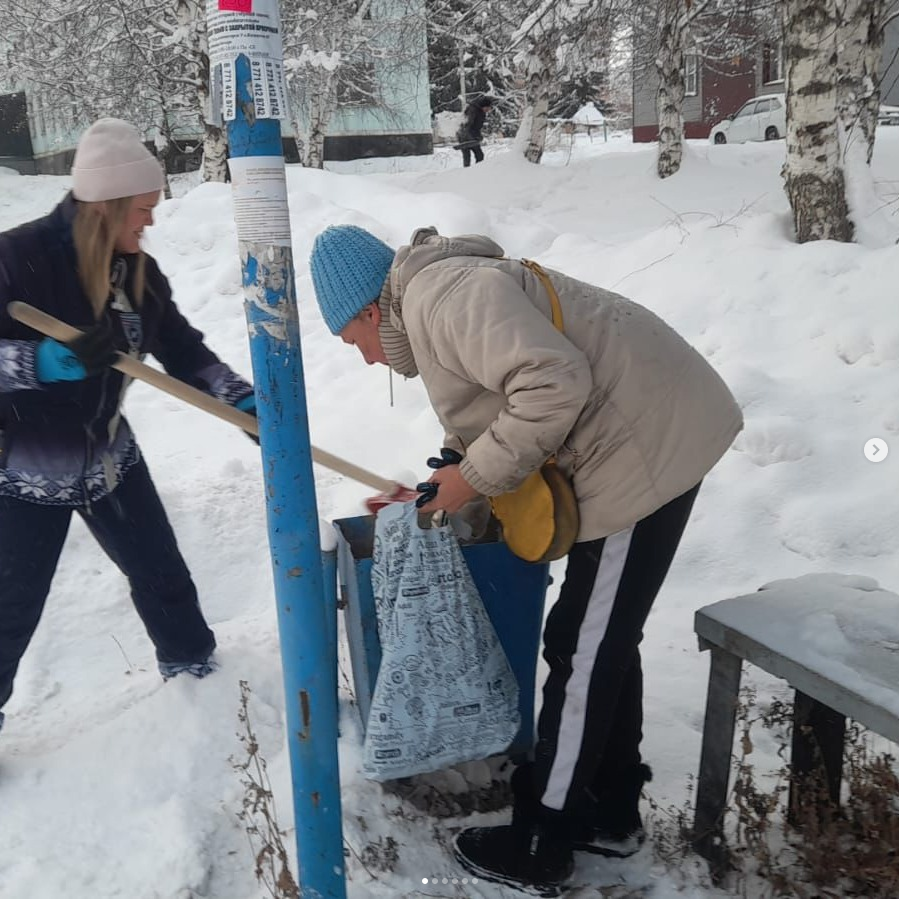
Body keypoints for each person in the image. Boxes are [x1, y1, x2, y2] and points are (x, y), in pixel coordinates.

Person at [309, 223, 743, 895]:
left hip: (644, 444)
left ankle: (543, 834)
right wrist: (439, 487)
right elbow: (485, 411)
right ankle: (610, 808)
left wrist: (469, 478)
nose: (366, 358)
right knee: (596, 635)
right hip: (633, 433)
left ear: (369, 309)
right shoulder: (431, 307)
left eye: (353, 342)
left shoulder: (441, 300)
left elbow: (549, 384)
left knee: (583, 644)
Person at [0, 119, 257, 735]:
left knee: (162, 574)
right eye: (142, 209)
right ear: (106, 206)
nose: (151, 221)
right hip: (28, 467)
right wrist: (38, 362)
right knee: (10, 608)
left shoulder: (134, 270)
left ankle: (196, 680)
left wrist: (239, 401)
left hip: (111, 456)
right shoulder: (16, 259)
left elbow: (182, 347)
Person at [455, 95, 494, 167]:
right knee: (470, 156)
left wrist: (478, 135)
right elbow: (467, 124)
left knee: (478, 155)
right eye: (487, 108)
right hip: (465, 136)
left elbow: (477, 127)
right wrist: (471, 136)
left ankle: (475, 171)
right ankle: (469, 173)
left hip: (471, 136)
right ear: (483, 105)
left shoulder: (481, 111)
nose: (488, 110)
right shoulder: (472, 110)